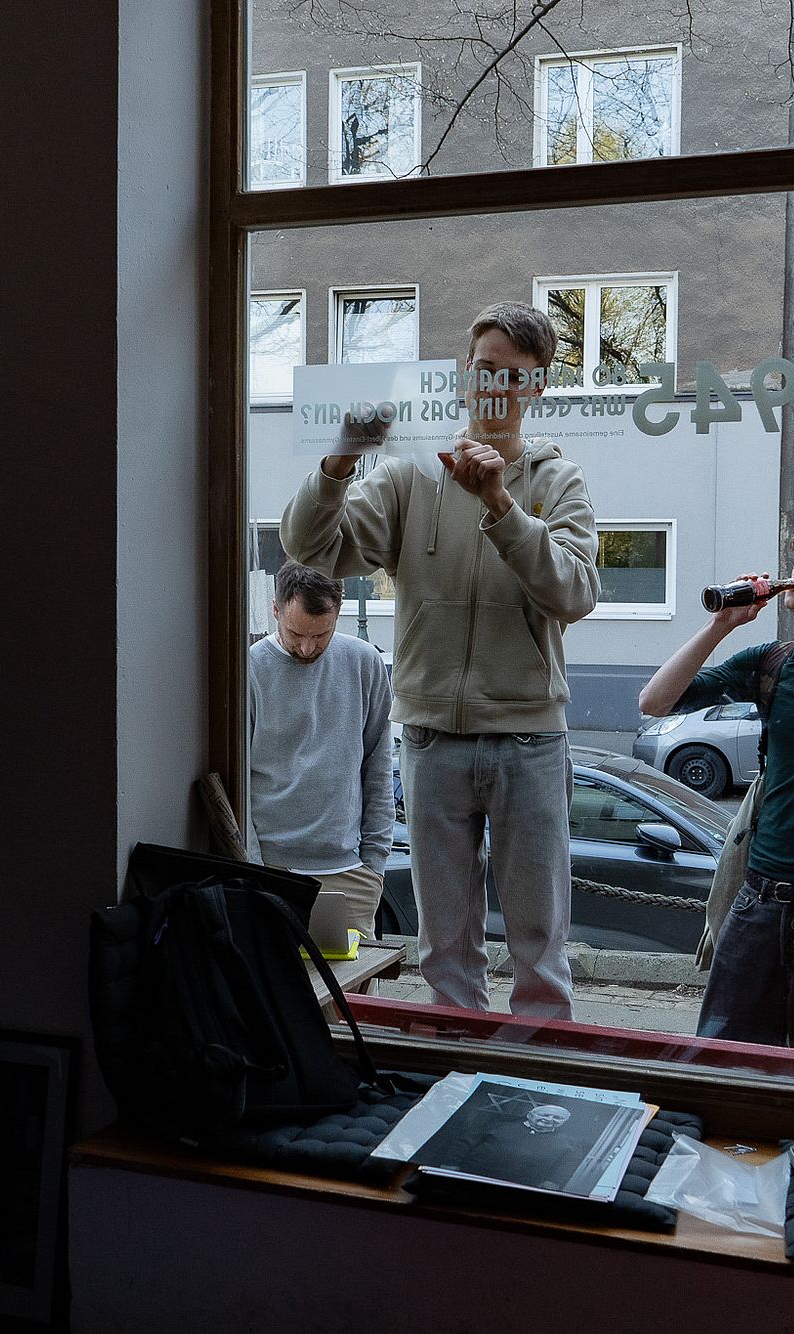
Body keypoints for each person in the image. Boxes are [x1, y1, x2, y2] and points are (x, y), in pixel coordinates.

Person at [282, 301, 598, 1019]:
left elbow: (575, 593)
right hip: (429, 735)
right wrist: (338, 461)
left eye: (512, 376)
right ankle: (454, 1062)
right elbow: (311, 550)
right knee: (444, 947)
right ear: (464, 374)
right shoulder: (409, 475)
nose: (495, 387)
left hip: (528, 736)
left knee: (539, 944)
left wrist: (501, 506)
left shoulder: (557, 480)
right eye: (485, 369)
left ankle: (541, 1072)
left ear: (537, 386)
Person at [637, 521, 794, 1055]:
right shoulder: (772, 663)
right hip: (759, 895)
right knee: (723, 1055)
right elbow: (655, 701)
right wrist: (720, 625)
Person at [247, 562, 394, 936]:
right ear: (276, 610)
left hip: (350, 872)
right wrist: (253, 866)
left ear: (338, 613)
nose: (307, 647)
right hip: (271, 869)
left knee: (355, 976)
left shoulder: (364, 663)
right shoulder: (250, 669)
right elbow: (238, 778)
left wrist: (374, 865)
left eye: (321, 634)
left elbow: (378, 767)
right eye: (295, 633)